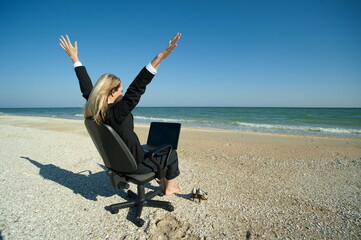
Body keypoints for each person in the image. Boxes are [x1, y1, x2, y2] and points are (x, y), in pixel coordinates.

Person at [59, 33, 182, 196]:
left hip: (118, 163)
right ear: (110, 92)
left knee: (152, 150)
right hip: (135, 165)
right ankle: (168, 188)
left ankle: (161, 177)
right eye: (120, 91)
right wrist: (159, 58)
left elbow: (86, 87)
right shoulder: (117, 112)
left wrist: (75, 59)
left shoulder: (96, 109)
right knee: (171, 152)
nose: (123, 95)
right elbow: (137, 87)